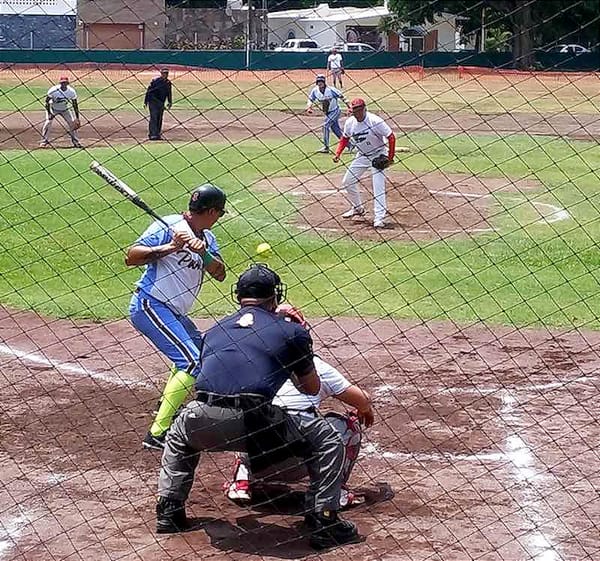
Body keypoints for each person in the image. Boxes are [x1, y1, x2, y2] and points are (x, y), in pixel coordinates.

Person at [155, 265, 360, 550]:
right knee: (328, 439)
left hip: (202, 418)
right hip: (254, 423)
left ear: (238, 295)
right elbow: (311, 388)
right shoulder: (290, 332)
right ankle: (324, 519)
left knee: (178, 434)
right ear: (275, 296)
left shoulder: (214, 330)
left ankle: (169, 511)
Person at [224, 303, 375, 509]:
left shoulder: (247, 363)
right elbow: (363, 400)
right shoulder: (317, 367)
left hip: (257, 459)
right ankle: (333, 491)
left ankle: (241, 480)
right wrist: (364, 409)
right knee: (348, 426)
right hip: (302, 460)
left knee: (245, 411)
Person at [125, 184, 227, 450]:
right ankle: (158, 433)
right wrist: (171, 247)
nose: (219, 218)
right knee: (192, 363)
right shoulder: (168, 226)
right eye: (220, 213)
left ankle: (165, 404)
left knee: (199, 354)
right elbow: (131, 256)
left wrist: (201, 251)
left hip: (175, 312)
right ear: (212, 210)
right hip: (151, 304)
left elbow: (220, 273)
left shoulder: (208, 237)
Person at [333, 98, 402, 229]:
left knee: (378, 187)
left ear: (364, 108)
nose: (357, 113)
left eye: (359, 109)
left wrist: (390, 157)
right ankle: (358, 208)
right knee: (347, 181)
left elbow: (391, 137)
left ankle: (379, 218)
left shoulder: (375, 121)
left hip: (378, 155)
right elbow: (345, 138)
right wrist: (338, 153)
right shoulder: (350, 123)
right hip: (362, 155)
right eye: (355, 110)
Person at [305, 75, 349, 154]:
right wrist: (309, 107)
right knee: (336, 131)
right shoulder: (315, 91)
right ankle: (351, 145)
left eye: (321, 82)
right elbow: (310, 99)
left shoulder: (331, 90)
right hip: (327, 113)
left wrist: (349, 107)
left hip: (335, 111)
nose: (320, 83)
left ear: (324, 82)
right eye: (318, 82)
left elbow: (343, 97)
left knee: (325, 126)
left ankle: (326, 147)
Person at [40, 76, 81, 148]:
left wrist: (77, 118)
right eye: (62, 83)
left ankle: (76, 142)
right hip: (53, 108)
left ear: (68, 83)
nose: (64, 84)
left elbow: (75, 105)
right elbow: (46, 102)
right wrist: (49, 113)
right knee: (48, 123)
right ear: (60, 83)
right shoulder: (53, 90)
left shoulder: (71, 92)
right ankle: (44, 141)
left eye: (65, 83)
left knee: (72, 123)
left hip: (65, 109)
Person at [144, 68, 172, 140]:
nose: (165, 75)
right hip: (153, 102)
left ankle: (157, 134)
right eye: (164, 73)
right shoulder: (155, 82)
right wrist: (145, 102)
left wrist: (169, 102)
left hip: (161, 103)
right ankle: (152, 134)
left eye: (166, 73)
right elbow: (149, 92)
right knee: (154, 117)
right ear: (161, 73)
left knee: (159, 118)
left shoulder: (168, 83)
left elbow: (169, 93)